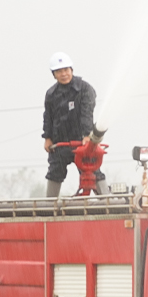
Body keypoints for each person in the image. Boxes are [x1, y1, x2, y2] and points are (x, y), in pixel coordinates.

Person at [42, 51, 99, 198]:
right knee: (55, 172)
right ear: (53, 74)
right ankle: (50, 206)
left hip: (82, 142)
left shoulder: (85, 89)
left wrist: (87, 136)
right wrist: (47, 137)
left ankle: (108, 202)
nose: (64, 74)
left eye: (66, 70)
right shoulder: (51, 94)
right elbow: (48, 116)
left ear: (72, 70)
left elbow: (87, 113)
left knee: (92, 170)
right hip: (60, 144)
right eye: (59, 71)